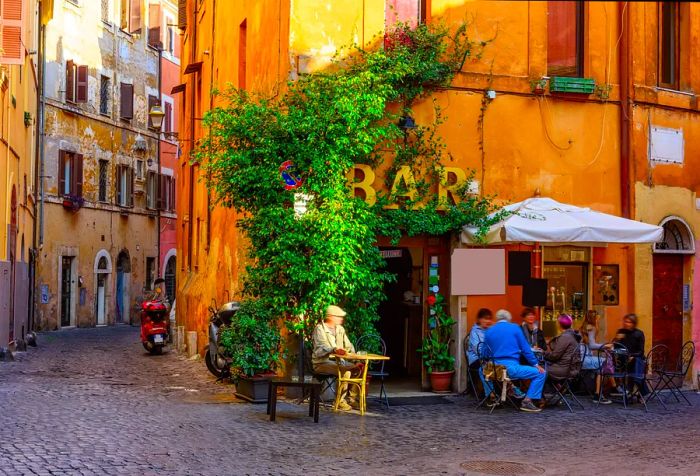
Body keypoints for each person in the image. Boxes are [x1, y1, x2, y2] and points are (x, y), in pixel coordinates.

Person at [483, 309, 547, 413]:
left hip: (494, 369)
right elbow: (526, 349)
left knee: (482, 371)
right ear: (509, 319)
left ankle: (492, 396)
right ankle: (527, 401)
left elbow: (484, 353)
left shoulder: (489, 330)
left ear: (497, 318)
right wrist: (535, 364)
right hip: (510, 368)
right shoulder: (515, 328)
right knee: (541, 373)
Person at [312, 305, 362, 411]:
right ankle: (340, 401)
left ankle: (352, 399)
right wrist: (334, 349)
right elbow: (321, 347)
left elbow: (348, 345)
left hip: (339, 362)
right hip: (321, 363)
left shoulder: (340, 329)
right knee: (346, 372)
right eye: (339, 316)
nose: (341, 318)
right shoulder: (320, 329)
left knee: (358, 368)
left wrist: (356, 358)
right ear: (331, 317)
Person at [579, 310, 611, 404]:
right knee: (605, 362)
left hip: (580, 359)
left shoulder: (584, 327)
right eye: (597, 317)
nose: (598, 319)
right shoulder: (592, 328)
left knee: (601, 364)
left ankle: (598, 394)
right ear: (595, 318)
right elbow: (592, 345)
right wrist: (605, 345)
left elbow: (589, 346)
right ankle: (600, 393)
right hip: (585, 359)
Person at [613, 313, 647, 395]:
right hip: (622, 358)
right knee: (612, 362)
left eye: (629, 322)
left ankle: (631, 388)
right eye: (625, 322)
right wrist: (617, 339)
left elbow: (641, 351)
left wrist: (632, 356)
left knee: (636, 362)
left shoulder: (639, 333)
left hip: (636, 357)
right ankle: (628, 388)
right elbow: (615, 347)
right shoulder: (621, 332)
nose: (626, 324)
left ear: (634, 323)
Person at [544, 314, 581, 380]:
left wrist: (543, 353)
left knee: (538, 369)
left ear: (559, 324)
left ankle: (537, 390)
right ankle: (558, 387)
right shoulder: (572, 335)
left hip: (564, 370)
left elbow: (554, 356)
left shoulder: (565, 337)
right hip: (572, 368)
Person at [467, 308, 493, 396]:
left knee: (504, 364)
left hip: (489, 358)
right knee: (487, 367)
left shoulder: (491, 330)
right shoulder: (475, 332)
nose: (488, 321)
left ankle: (504, 391)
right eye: (485, 318)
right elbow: (478, 350)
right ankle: (491, 394)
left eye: (489, 319)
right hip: (476, 359)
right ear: (479, 319)